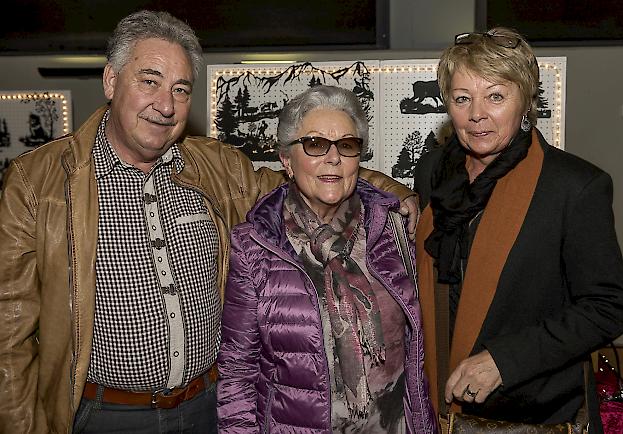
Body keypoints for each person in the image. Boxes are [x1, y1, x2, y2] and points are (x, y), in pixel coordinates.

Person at [0, 11, 418, 434]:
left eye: (180, 90)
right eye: (149, 81)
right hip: (104, 415)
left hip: (207, 408)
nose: (165, 105)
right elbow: (8, 335)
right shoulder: (39, 182)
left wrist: (394, 192)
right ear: (111, 81)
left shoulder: (218, 169)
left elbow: (310, 177)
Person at [413, 27, 623, 431]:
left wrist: (506, 360)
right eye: (462, 99)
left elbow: (608, 306)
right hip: (437, 407)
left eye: (495, 96)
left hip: (534, 413)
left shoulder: (573, 186)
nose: (477, 113)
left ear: (526, 101)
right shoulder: (434, 172)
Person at [216, 85, 436, 433]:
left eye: (346, 145)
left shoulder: (393, 229)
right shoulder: (254, 245)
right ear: (286, 160)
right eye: (315, 144)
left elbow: (416, 356)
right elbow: (238, 374)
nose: (333, 158)